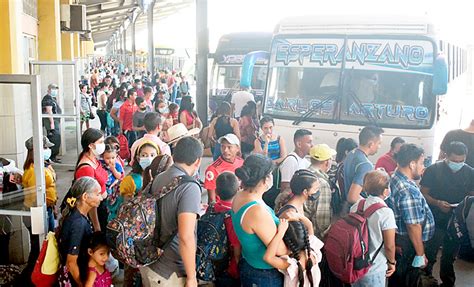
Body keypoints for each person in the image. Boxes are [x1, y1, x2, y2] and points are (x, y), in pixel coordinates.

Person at [139, 137, 203, 287]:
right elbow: (186, 237)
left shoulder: (160, 177)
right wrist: (192, 278)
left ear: (174, 156)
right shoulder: (190, 187)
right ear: (198, 161)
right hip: (169, 273)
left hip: (150, 263)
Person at [421, 141, 474, 287]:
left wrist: (462, 206)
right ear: (446, 156)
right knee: (431, 252)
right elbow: (423, 193)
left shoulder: (470, 172)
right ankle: (426, 280)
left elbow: (472, 196)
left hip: (457, 222)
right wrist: (437, 203)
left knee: (449, 256)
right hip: (436, 219)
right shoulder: (433, 170)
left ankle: (448, 283)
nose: (458, 163)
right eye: (454, 161)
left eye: (461, 161)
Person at [232, 154, 288, 286]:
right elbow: (280, 250)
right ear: (264, 180)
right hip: (263, 274)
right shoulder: (256, 211)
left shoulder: (240, 195)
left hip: (249, 262)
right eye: (270, 174)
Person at [386, 144, 435, 287]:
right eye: (421, 163)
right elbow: (413, 225)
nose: (423, 167)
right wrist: (420, 254)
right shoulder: (407, 190)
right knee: (407, 280)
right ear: (412, 164)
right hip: (408, 244)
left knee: (398, 279)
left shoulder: (395, 177)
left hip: (400, 241)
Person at [20, 136, 57, 285]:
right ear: (35, 150)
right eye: (45, 147)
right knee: (39, 248)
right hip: (36, 212)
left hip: (44, 210)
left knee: (42, 246)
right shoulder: (34, 171)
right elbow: (36, 197)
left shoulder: (42, 166)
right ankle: (30, 278)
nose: (48, 150)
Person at [350, 170, 397, 287]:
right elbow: (389, 246)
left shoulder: (356, 206)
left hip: (355, 264)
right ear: (385, 191)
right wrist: (392, 262)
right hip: (374, 267)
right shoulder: (386, 213)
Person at [58, 177, 103, 286]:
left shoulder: (77, 215)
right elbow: (71, 263)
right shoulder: (78, 223)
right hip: (75, 278)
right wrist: (81, 284)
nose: (101, 198)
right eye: (97, 194)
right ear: (85, 197)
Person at [264, 219, 323, 287]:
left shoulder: (291, 265)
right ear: (306, 237)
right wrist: (298, 216)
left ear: (286, 245)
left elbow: (268, 258)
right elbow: (310, 225)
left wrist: (280, 233)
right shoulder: (314, 252)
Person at [75, 128, 108, 232]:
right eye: (101, 142)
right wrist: (96, 226)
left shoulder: (94, 159)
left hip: (101, 205)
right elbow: (89, 201)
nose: (103, 145)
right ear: (91, 145)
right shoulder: (86, 168)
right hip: (96, 210)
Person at [213, 172, 242, 287]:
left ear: (216, 192)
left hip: (213, 263)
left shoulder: (211, 209)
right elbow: (236, 246)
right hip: (230, 269)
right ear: (238, 190)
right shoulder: (233, 216)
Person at [344, 126, 384, 206]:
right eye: (379, 143)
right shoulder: (366, 165)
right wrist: (372, 205)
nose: (379, 147)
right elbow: (352, 197)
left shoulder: (351, 154)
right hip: (357, 212)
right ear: (371, 144)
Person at [274, 129, 313, 210]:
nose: (312, 145)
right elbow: (285, 189)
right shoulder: (291, 161)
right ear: (299, 144)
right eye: (309, 142)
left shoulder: (304, 161)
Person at [305, 144, 337, 238]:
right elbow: (322, 220)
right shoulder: (321, 183)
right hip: (312, 236)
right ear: (327, 162)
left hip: (300, 230)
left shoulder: (303, 174)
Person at [276, 169, 319, 236]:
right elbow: (302, 242)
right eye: (315, 189)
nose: (317, 192)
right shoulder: (291, 213)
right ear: (305, 192)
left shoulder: (298, 203)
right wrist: (309, 225)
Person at [204, 134, 244, 204]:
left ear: (237, 148)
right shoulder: (213, 169)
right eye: (223, 146)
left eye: (229, 147)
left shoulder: (241, 162)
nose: (225, 150)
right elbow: (211, 200)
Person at [100, 144, 124, 221]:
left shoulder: (117, 165)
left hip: (113, 190)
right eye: (107, 158)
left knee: (111, 204)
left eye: (113, 158)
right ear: (102, 156)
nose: (110, 160)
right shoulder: (100, 164)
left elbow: (119, 176)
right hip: (103, 189)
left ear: (116, 156)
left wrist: (113, 169)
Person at [42, 83, 62, 163]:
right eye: (54, 89)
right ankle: (51, 157)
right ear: (49, 89)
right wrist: (52, 123)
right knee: (54, 139)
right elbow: (48, 110)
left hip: (54, 121)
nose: (55, 91)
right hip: (51, 122)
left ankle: (54, 157)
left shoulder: (52, 98)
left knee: (56, 139)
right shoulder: (47, 98)